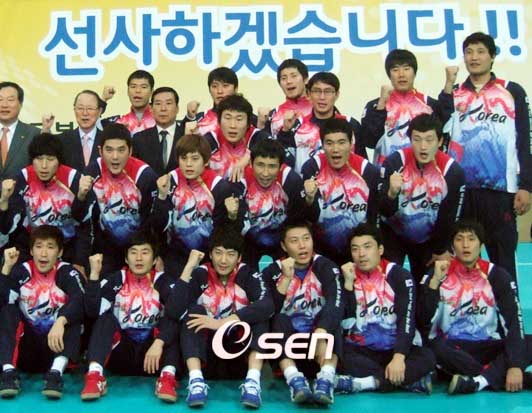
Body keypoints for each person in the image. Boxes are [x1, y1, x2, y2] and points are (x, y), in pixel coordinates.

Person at [442, 32, 531, 282]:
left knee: (503, 262)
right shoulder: (454, 93)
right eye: (469, 52)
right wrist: (447, 88)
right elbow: (440, 132)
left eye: (481, 52)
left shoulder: (511, 91)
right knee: (463, 263)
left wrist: (526, 185)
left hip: (500, 191)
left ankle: (508, 308)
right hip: (463, 190)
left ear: (492, 57)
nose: (474, 57)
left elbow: (524, 140)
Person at [417, 220, 532, 394]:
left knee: (527, 342)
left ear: (481, 244)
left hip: (488, 346)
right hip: (450, 349)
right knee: (431, 348)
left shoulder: (497, 276)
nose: (465, 245)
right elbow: (422, 319)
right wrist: (434, 283)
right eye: (459, 239)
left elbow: (514, 322)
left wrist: (515, 365)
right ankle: (495, 377)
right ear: (452, 245)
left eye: (471, 239)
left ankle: (478, 381)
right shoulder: (437, 273)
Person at [80, 230, 185, 403]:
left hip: (153, 357)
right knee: (105, 318)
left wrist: (159, 342)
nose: (139, 258)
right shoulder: (116, 279)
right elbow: (92, 312)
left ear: (154, 260)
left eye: (145, 252)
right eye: (133, 252)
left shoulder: (164, 281)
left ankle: (167, 378)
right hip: (122, 354)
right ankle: (94, 376)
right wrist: (94, 276)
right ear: (126, 259)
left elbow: (178, 315)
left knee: (173, 316)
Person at [175, 227, 273, 408]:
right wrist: (188, 267)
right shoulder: (199, 274)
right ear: (210, 255)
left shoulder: (249, 274)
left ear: (239, 257)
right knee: (194, 311)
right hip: (206, 354)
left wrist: (223, 322)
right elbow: (174, 310)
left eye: (230, 254)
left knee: (260, 317)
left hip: (239, 352)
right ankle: (196, 382)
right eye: (218, 253)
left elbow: (267, 305)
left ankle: (252, 383)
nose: (223, 260)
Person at [334, 223, 436, 395]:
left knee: (428, 357)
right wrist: (348, 286)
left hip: (394, 348)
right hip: (361, 351)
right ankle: (406, 381)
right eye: (355, 249)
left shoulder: (399, 276)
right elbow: (345, 323)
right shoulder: (345, 276)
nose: (361, 254)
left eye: (367, 247)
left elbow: (406, 320)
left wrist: (399, 357)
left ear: (380, 249)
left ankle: (364, 383)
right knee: (339, 354)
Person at [260, 220, 343, 405]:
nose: (302, 245)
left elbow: (336, 303)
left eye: (306, 239)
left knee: (331, 319)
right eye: (294, 241)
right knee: (278, 319)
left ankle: (326, 379)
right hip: (288, 350)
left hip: (320, 348)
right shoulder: (272, 271)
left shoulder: (326, 267)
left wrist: (321, 333)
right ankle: (295, 380)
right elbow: (268, 311)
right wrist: (286, 278)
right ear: (284, 246)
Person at [379, 114, 465, 283]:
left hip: (429, 238)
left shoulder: (452, 172)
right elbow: (382, 210)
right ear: (410, 140)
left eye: (429, 140)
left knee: (428, 285)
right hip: (393, 234)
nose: (423, 146)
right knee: (389, 283)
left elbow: (449, 218)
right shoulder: (395, 163)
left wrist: (440, 250)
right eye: (417, 140)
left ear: (440, 141)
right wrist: (391, 194)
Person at [0, 226, 84, 399]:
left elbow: (80, 299)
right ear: (31, 251)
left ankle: (55, 374)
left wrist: (61, 321)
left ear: (60, 252)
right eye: (38, 246)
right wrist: (6, 268)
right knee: (8, 309)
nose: (43, 253)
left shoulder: (67, 272)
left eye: (50, 247)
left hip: (56, 348)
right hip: (26, 351)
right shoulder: (21, 271)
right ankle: (8, 372)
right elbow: (3, 301)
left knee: (72, 318)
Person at [150, 134, 244, 277]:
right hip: (174, 256)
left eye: (194, 159)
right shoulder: (169, 180)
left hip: (208, 258)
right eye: (183, 158)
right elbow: (157, 226)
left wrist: (232, 216)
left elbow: (225, 234)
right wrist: (162, 197)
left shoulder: (219, 187)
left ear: (206, 161)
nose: (188, 164)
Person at [0, 133, 91, 275]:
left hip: (67, 247)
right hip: (30, 247)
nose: (44, 166)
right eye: (39, 159)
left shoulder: (73, 178)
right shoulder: (23, 177)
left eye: (50, 159)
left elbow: (84, 226)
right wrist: (4, 200)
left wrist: (79, 261)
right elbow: (7, 228)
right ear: (32, 160)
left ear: (59, 161)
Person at [302, 118, 379, 265]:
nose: (335, 149)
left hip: (357, 250)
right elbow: (309, 217)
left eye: (341, 142)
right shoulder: (312, 168)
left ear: (351, 144)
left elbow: (373, 216)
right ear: (322, 144)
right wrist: (309, 199)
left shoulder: (368, 171)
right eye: (329, 143)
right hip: (321, 249)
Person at [85, 123, 158, 274]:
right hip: (104, 248)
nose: (115, 157)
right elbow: (86, 219)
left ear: (130, 151)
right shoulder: (92, 171)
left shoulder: (144, 176)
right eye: (109, 150)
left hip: (137, 249)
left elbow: (151, 222)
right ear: (100, 151)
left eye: (121, 150)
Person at [360, 49, 449, 166]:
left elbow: (442, 141)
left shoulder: (430, 104)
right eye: (395, 70)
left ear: (414, 72)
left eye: (406, 69)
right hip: (387, 172)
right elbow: (370, 142)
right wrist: (381, 105)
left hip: (423, 172)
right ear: (389, 74)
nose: (401, 74)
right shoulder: (375, 106)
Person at [233, 139, 307, 269]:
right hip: (249, 242)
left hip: (282, 241)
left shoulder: (291, 180)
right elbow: (235, 226)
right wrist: (232, 215)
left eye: (272, 166)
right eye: (260, 165)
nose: (265, 173)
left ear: (280, 166)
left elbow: (298, 220)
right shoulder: (240, 180)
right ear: (250, 163)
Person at [277, 72, 366, 176]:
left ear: (337, 94)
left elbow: (362, 162)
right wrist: (284, 133)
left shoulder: (351, 124)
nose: (322, 97)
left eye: (328, 91)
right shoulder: (296, 125)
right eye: (317, 91)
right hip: (305, 184)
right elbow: (284, 163)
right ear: (309, 94)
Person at [204, 94, 270, 182]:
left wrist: (246, 159)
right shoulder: (210, 140)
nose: (233, 125)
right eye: (227, 118)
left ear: (248, 124)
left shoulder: (257, 136)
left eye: (239, 119)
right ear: (219, 122)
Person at [133, 86, 184, 176]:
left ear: (177, 108)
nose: (163, 108)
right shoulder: (139, 139)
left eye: (168, 103)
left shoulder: (187, 136)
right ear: (151, 109)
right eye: (158, 104)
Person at [184, 67, 245, 136]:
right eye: (214, 86)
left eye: (225, 86)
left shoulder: (248, 119)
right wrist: (190, 117)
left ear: (235, 89)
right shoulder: (200, 118)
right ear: (209, 90)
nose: (219, 91)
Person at [260, 59, 313, 138]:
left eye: (294, 76)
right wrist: (261, 124)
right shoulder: (274, 115)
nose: (288, 81)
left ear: (305, 79)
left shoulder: (320, 110)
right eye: (284, 78)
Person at [0, 82, 40, 181]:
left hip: (22, 190)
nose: (4, 105)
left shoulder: (34, 134)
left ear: (20, 104)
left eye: (10, 100)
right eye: (0, 99)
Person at [58, 90, 105, 173]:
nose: (85, 113)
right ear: (74, 110)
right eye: (80, 108)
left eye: (90, 108)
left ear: (99, 111)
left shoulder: (106, 140)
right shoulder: (61, 140)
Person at [101, 70, 156, 134]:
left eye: (143, 87)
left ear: (152, 91)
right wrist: (103, 100)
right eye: (133, 86)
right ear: (127, 91)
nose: (138, 90)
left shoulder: (161, 120)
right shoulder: (119, 122)